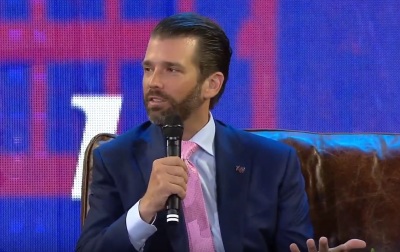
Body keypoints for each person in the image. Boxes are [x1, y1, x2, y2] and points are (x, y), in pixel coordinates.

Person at [76, 13, 366, 252]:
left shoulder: (273, 163)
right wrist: (145, 207)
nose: (153, 82)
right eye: (148, 68)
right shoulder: (114, 159)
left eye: (171, 70)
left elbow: (293, 247)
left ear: (212, 84)